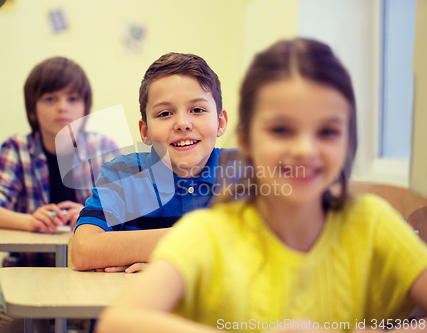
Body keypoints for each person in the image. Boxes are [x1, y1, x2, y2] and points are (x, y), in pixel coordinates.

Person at [95, 38, 427, 333]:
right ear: (246, 140)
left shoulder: (372, 222)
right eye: (281, 130)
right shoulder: (211, 233)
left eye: (327, 131)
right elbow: (117, 322)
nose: (304, 150)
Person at [0, 57, 119, 333]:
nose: (63, 107)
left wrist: (89, 216)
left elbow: (128, 211)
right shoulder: (17, 148)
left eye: (73, 98)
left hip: (94, 277)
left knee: (116, 323)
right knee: (12, 326)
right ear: (33, 110)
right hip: (27, 275)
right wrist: (29, 221)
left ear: (86, 108)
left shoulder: (104, 147)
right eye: (50, 99)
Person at [72, 52, 244, 273]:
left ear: (220, 122)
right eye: (165, 113)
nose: (182, 123)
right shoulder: (123, 174)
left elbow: (275, 248)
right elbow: (84, 251)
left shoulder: (244, 171)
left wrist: (167, 261)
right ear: (145, 131)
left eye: (197, 110)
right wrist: (206, 244)